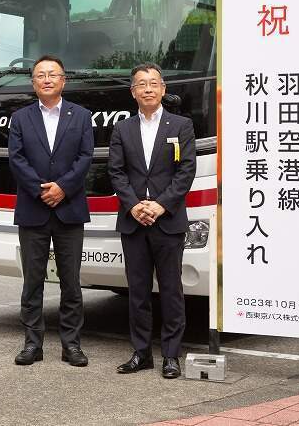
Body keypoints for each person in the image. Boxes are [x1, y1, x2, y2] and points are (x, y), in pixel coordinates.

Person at [107, 63, 196, 379]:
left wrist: (160, 206)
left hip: (167, 221)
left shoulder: (181, 125)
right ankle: (141, 353)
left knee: (171, 290)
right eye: (141, 84)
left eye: (153, 83)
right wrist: (133, 206)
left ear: (163, 89)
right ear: (133, 92)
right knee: (138, 291)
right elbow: (116, 172)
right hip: (133, 221)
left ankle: (171, 355)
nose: (147, 88)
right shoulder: (122, 129)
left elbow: (186, 171)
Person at [7, 55, 94, 367]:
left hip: (69, 210)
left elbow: (85, 157)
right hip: (33, 209)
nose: (46, 79)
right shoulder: (20, 118)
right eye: (40, 75)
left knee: (71, 282)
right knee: (33, 281)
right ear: (33, 82)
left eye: (52, 74)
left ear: (63, 80)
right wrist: (41, 189)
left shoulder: (81, 116)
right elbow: (16, 159)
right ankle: (32, 344)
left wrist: (63, 188)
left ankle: (72, 345)